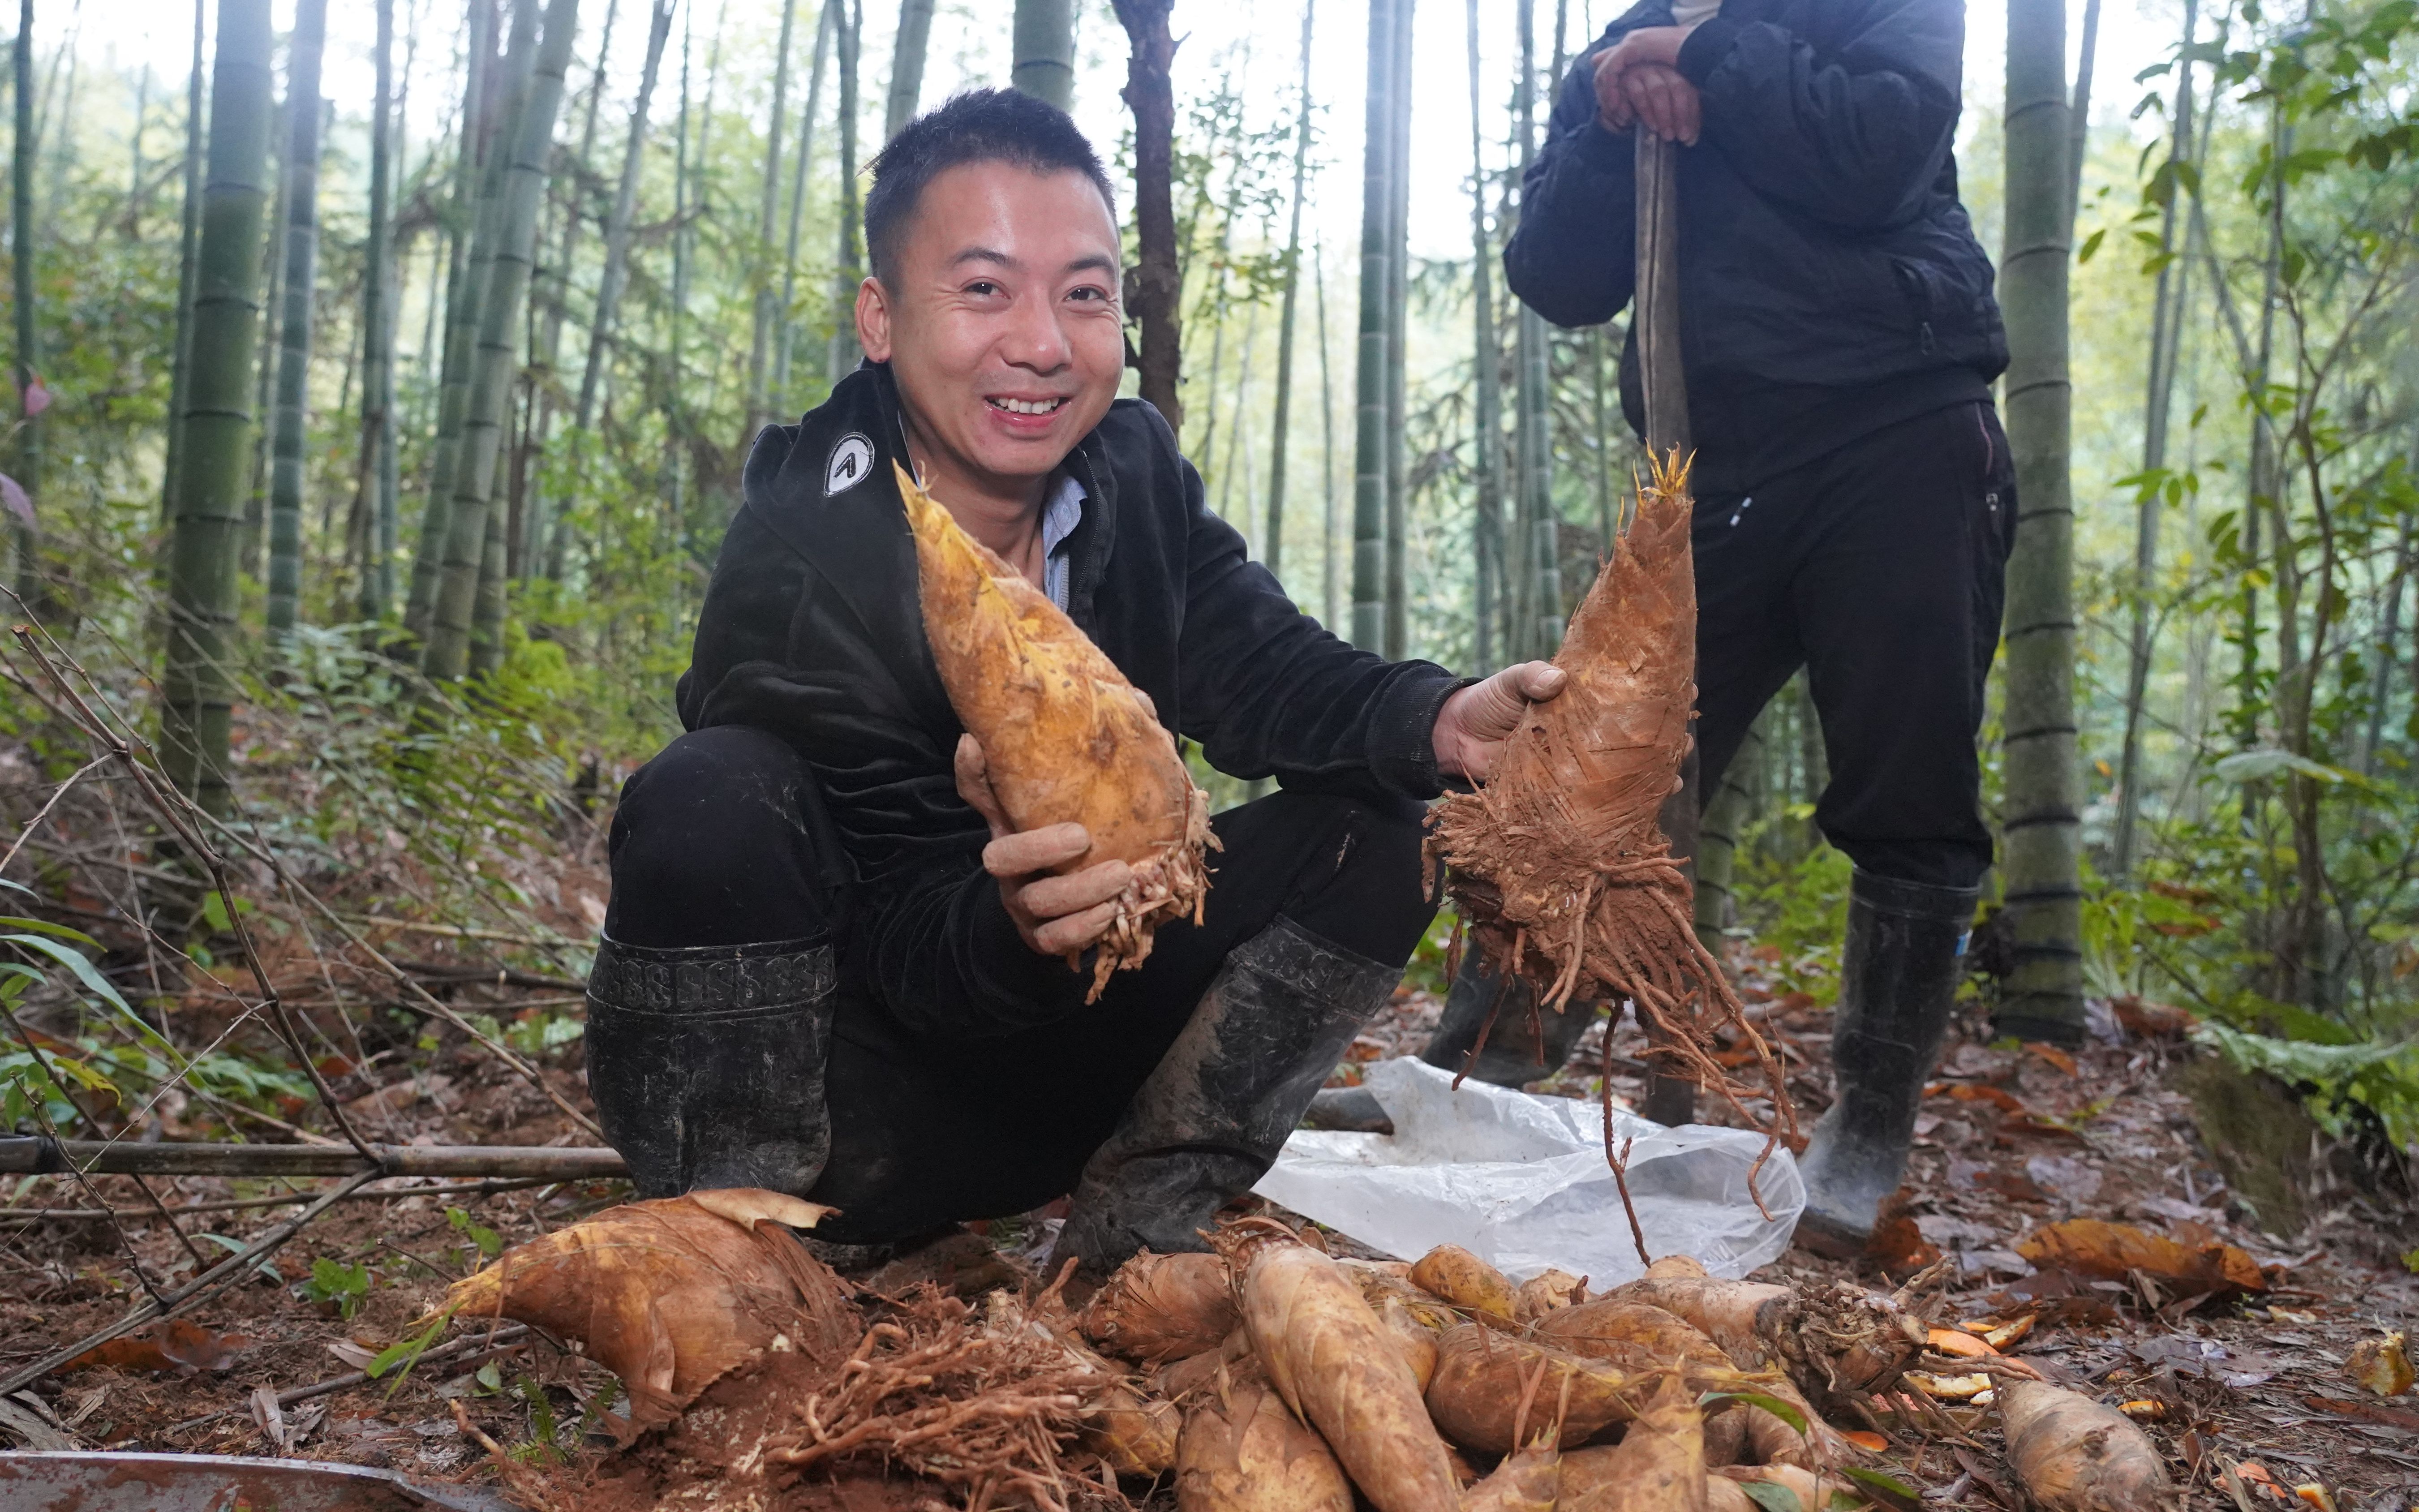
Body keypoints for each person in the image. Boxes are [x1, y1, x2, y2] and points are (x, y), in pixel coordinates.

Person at [583, 89, 1564, 1280]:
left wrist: (1445, 719)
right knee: (710, 793)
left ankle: (1141, 1234)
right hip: (868, 1118)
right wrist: (1015, 932)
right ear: (881, 319)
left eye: (1085, 294)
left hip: (1076, 1071)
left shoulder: (1125, 465)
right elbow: (892, 933)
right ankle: (749, 1256)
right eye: (985, 289)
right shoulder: (805, 553)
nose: (1043, 344)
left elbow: (1251, 661)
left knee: (1378, 826)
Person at [1496, 0, 2021, 1257]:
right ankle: (1486, 1058)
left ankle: (1869, 1128)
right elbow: (1556, 274)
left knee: (1908, 789)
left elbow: (1876, 153)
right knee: (1592, 766)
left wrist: (1713, 60)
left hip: (1897, 430)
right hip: (1708, 464)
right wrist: (1617, 100)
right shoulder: (1626, 35)